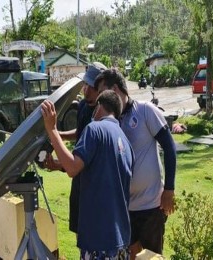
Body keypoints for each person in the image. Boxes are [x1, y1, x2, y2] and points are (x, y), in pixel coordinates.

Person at [41, 90, 134, 259]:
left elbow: (73, 168)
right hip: (120, 240)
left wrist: (52, 129)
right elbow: (99, 169)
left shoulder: (94, 129)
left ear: (98, 107)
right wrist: (57, 165)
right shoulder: (125, 141)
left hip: (99, 241)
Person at [95, 69, 176, 258]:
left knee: (150, 256)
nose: (101, 101)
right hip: (124, 209)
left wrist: (169, 189)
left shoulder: (146, 111)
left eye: (103, 94)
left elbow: (170, 148)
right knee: (128, 254)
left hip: (151, 206)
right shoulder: (110, 122)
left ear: (115, 89)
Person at [44, 62, 106, 235]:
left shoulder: (104, 117)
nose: (86, 90)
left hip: (94, 189)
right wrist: (61, 135)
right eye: (85, 84)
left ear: (102, 88)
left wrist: (54, 131)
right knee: (81, 236)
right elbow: (81, 133)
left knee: (92, 236)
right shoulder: (84, 107)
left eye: (91, 87)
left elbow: (81, 162)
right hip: (79, 184)